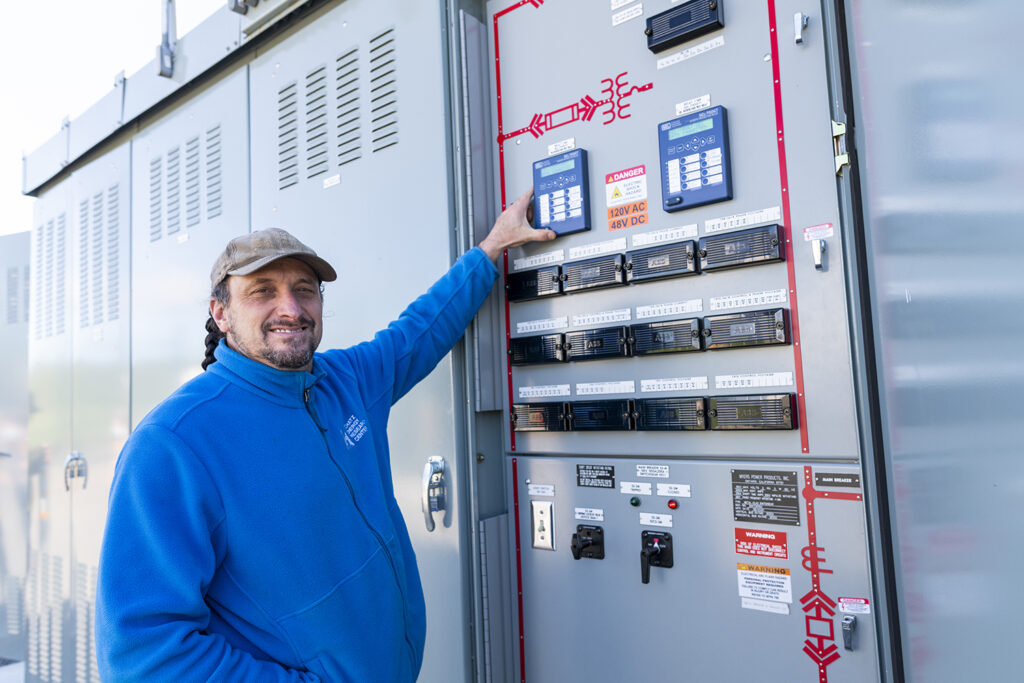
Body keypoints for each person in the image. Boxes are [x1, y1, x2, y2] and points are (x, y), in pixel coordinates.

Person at [95, 189, 554, 681]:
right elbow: (144, 655)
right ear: (221, 313)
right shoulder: (172, 445)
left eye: (305, 288)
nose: (291, 308)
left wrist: (490, 249)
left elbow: (419, 331)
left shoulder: (346, 380)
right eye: (263, 290)